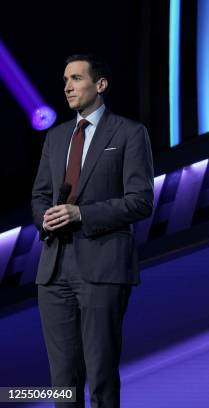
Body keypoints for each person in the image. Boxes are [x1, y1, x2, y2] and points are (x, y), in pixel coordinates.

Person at [31, 54, 154, 407]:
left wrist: (81, 214)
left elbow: (140, 202)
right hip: (54, 271)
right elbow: (40, 194)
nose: (68, 87)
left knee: (100, 374)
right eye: (65, 80)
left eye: (76, 79)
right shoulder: (55, 138)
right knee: (62, 380)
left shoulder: (129, 133)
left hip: (103, 267)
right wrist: (45, 218)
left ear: (100, 85)